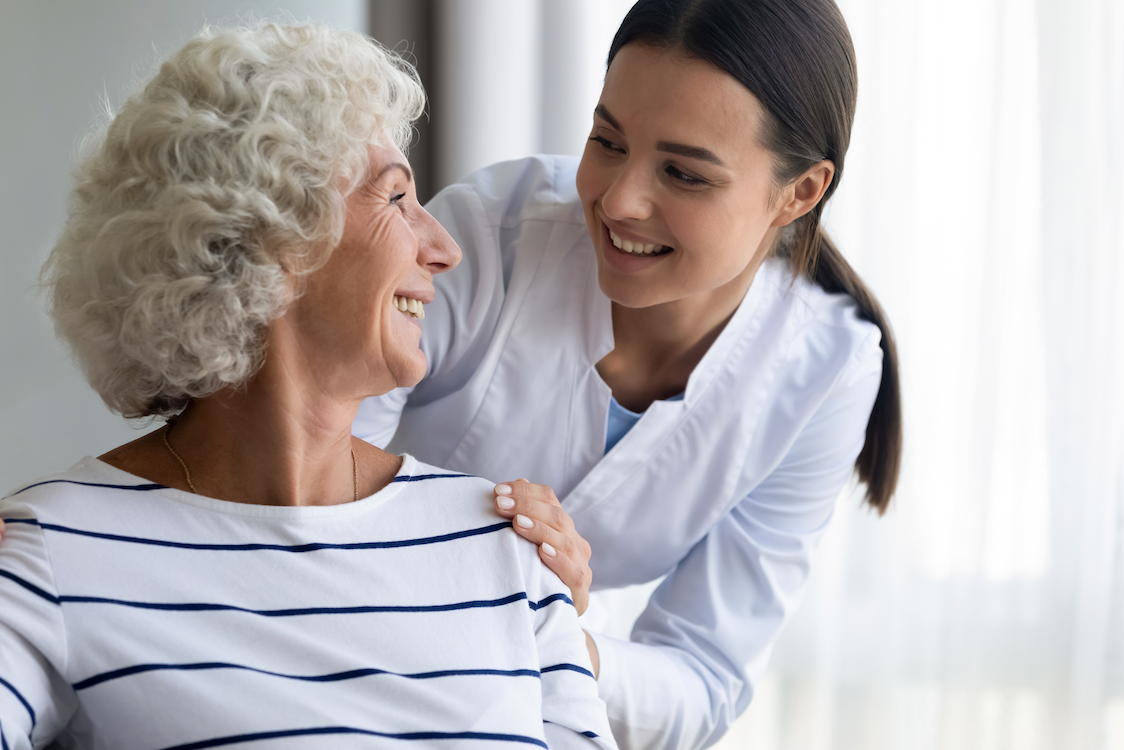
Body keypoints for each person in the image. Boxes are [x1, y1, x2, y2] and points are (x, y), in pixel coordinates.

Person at [0, 22, 614, 750]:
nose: (443, 247)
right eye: (395, 199)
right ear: (271, 235)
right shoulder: (52, 555)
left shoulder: (505, 550)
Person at [352, 0, 902, 748]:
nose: (618, 200)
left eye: (682, 173)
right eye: (607, 140)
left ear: (799, 192)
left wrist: (553, 632)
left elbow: (703, 679)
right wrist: (502, 582)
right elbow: (317, 495)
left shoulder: (828, 372)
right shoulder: (485, 238)